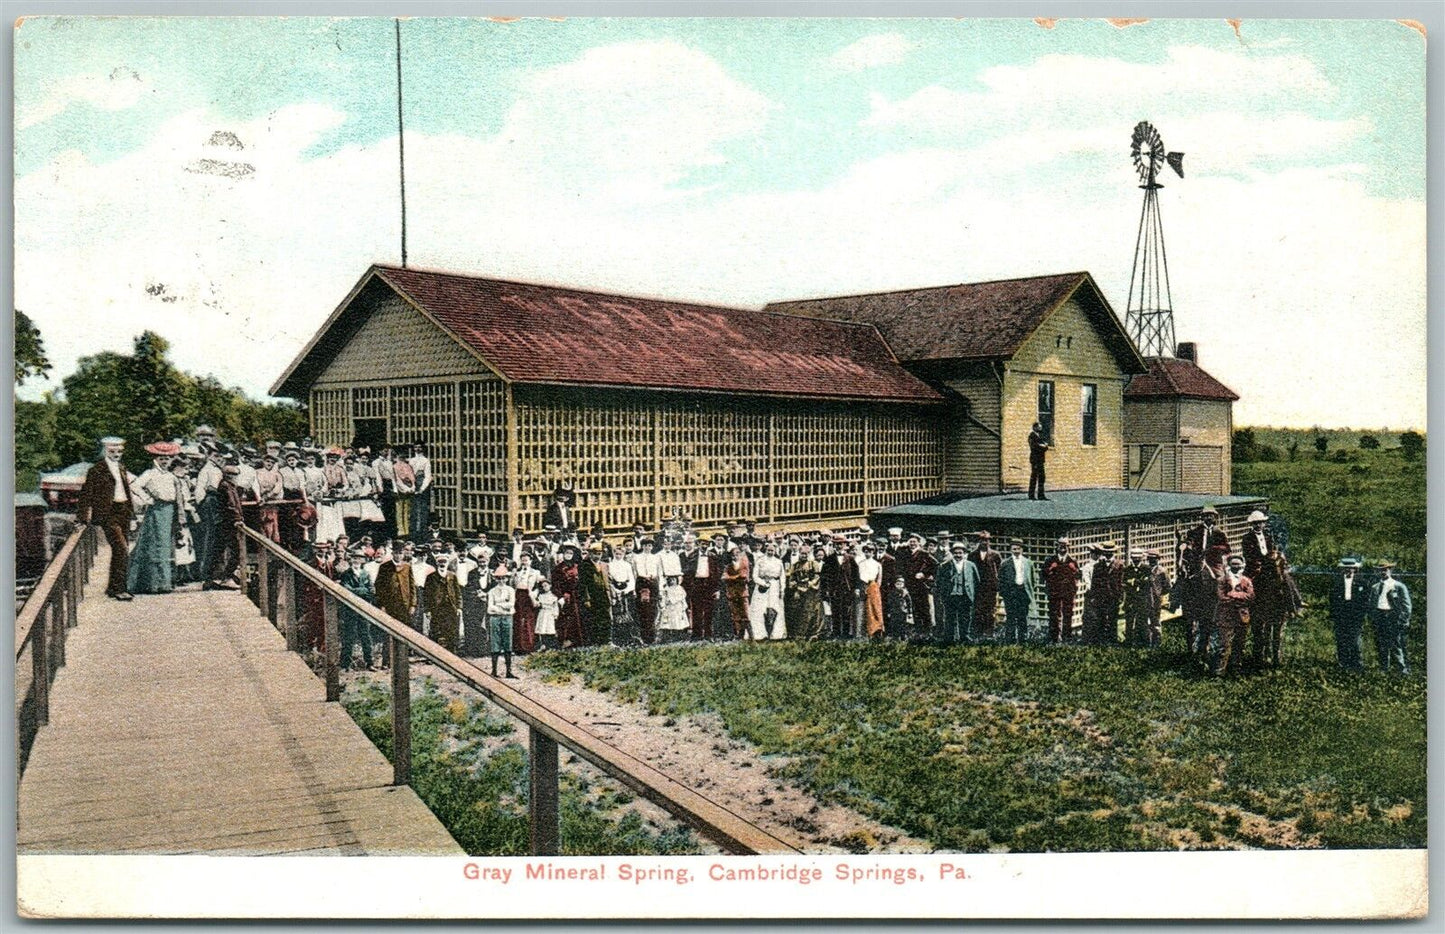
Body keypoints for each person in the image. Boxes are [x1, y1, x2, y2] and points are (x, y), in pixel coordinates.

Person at [77, 436, 136, 600]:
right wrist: (82, 518)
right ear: (105, 451)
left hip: (123, 510)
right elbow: (86, 495)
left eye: (119, 451)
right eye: (112, 451)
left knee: (122, 550)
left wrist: (132, 513)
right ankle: (119, 589)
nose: (116, 454)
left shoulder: (122, 468)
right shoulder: (97, 470)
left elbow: (126, 491)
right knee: (121, 549)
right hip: (108, 514)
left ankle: (114, 587)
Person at [127, 442, 189, 595]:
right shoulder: (150, 474)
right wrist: (147, 498)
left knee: (168, 545)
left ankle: (166, 582)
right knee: (156, 545)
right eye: (161, 459)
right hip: (157, 511)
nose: (165, 461)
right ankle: (153, 583)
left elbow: (178, 497)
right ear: (155, 459)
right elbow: (135, 486)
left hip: (170, 512)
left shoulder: (171, 476)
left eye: (167, 459)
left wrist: (180, 516)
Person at [1208, 554, 1254, 677]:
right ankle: (1219, 671)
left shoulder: (1247, 581)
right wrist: (1239, 597)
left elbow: (1250, 597)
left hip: (1242, 617)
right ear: (1229, 566)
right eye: (1233, 565)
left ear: (1242, 566)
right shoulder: (1222, 580)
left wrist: (1233, 594)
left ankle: (1235, 668)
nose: (1236, 567)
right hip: (1225, 616)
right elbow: (1222, 598)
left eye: (1238, 565)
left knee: (1239, 644)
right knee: (1224, 645)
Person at [205, 463, 246, 590]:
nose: (236, 478)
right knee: (236, 551)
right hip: (227, 524)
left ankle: (210, 579)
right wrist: (237, 519)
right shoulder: (226, 487)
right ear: (230, 476)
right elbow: (230, 505)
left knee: (218, 551)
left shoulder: (229, 486)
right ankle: (226, 577)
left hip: (223, 523)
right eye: (235, 475)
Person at [373, 543, 418, 656]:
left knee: (405, 630)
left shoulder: (407, 567)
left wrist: (413, 604)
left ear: (403, 554)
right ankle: (387, 659)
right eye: (396, 553)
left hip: (405, 605)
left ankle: (404, 656)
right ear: (392, 554)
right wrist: (382, 605)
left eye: (401, 553)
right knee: (388, 633)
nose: (398, 556)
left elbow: (412, 587)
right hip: (390, 606)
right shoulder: (384, 567)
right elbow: (379, 587)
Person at [336, 550, 377, 670]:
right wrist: (362, 590)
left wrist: (361, 590)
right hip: (350, 609)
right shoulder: (345, 574)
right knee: (349, 636)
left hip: (363, 608)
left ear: (363, 560)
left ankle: (369, 663)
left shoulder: (366, 574)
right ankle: (345, 664)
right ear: (350, 560)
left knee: (366, 636)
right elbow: (347, 590)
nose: (356, 561)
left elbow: (371, 591)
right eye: (354, 558)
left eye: (359, 558)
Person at [1368, 562, 1412, 675]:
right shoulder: (1375, 587)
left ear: (1390, 570)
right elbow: (1372, 604)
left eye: (1385, 570)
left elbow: (1406, 606)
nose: (1383, 572)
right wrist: (1373, 618)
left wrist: (1403, 620)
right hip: (1380, 616)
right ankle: (1384, 668)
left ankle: (1401, 670)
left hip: (1393, 617)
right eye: (1380, 570)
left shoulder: (1398, 586)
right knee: (1381, 644)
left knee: (1396, 643)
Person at [1328, 557, 1369, 672]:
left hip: (1355, 614)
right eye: (1346, 568)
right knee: (1341, 639)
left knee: (1355, 639)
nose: (1348, 570)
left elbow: (1365, 600)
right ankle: (1343, 663)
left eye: (1351, 568)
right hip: (1341, 613)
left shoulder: (1362, 582)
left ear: (1355, 569)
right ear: (1342, 569)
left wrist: (1361, 614)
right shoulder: (1337, 582)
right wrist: (1334, 614)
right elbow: (1332, 599)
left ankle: (1356, 664)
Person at [935, 540, 978, 644]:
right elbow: (939, 582)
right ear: (952, 553)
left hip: (965, 595)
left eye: (960, 553)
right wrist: (943, 595)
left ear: (964, 553)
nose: (958, 555)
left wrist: (972, 593)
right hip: (951, 596)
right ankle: (949, 638)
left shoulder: (971, 565)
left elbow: (976, 581)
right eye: (955, 553)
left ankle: (965, 637)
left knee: (965, 617)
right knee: (950, 617)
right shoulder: (944, 566)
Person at [1040, 537, 1079, 645]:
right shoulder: (1050, 560)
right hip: (1054, 592)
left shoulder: (1072, 561)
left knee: (1068, 614)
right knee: (1054, 614)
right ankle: (1053, 638)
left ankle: (1067, 637)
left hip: (1068, 592)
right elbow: (1042, 575)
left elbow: (1078, 576)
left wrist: (1074, 569)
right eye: (1060, 545)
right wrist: (1050, 569)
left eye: (1065, 546)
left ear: (1068, 547)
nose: (1062, 548)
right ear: (1056, 546)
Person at [998, 539, 1035, 645]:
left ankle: (1023, 640)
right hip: (1011, 593)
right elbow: (1001, 580)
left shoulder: (1028, 563)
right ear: (1011, 550)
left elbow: (1033, 579)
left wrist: (1028, 590)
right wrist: (1005, 594)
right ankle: (1010, 639)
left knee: (1022, 617)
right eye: (1014, 549)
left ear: (1022, 549)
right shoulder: (1005, 563)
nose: (1016, 551)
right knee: (1010, 617)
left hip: (1023, 592)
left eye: (1018, 548)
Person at [786, 544, 826, 640]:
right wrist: (795, 586)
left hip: (811, 591)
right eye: (802, 554)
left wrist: (810, 584)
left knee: (814, 612)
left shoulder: (813, 564)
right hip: (799, 590)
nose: (804, 556)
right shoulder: (795, 565)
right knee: (800, 612)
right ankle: (800, 633)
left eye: (806, 554)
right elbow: (791, 578)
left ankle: (814, 633)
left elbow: (817, 577)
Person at [681, 535, 718, 641]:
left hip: (708, 584)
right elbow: (687, 572)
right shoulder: (692, 556)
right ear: (698, 544)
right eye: (702, 543)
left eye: (706, 543)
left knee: (709, 610)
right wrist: (690, 585)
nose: (704, 545)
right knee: (696, 610)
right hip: (696, 584)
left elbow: (716, 574)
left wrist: (716, 589)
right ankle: (697, 635)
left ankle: (708, 635)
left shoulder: (713, 556)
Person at [425, 553, 463, 653]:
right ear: (437, 563)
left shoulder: (452, 575)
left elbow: (457, 592)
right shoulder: (431, 577)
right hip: (437, 607)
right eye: (440, 562)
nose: (442, 564)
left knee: (451, 630)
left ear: (447, 563)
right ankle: (434, 653)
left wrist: (459, 607)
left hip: (450, 606)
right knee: (435, 630)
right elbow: (427, 595)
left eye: (444, 562)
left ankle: (452, 652)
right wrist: (428, 610)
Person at [749, 541, 787, 641]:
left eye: (772, 550)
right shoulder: (760, 560)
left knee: (775, 608)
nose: (770, 552)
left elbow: (782, 576)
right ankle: (759, 634)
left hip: (775, 587)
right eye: (769, 550)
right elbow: (754, 576)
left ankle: (776, 634)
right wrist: (763, 583)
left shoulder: (778, 562)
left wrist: (782, 589)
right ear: (765, 550)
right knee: (759, 609)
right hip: (762, 587)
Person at [820, 537, 857, 640]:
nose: (839, 546)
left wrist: (855, 588)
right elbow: (824, 576)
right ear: (834, 545)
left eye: (841, 544)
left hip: (847, 589)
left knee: (846, 611)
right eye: (837, 544)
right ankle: (836, 632)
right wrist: (825, 589)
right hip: (834, 589)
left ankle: (845, 633)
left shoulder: (850, 558)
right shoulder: (829, 558)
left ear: (845, 545)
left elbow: (855, 575)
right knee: (835, 611)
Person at [486, 564, 518, 678]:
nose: (501, 580)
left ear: (507, 578)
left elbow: (511, 604)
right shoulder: (492, 591)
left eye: (503, 578)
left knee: (507, 642)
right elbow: (490, 607)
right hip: (495, 618)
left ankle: (508, 671)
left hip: (507, 617)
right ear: (495, 579)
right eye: (498, 578)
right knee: (495, 642)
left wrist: (498, 605)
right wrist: (503, 606)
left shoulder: (510, 590)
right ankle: (494, 671)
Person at [902, 533, 937, 636]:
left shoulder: (924, 554)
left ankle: (927, 631)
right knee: (913, 608)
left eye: (914, 541)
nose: (912, 543)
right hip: (909, 585)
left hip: (921, 586)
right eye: (911, 541)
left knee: (924, 608)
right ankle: (917, 631)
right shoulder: (905, 554)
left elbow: (936, 566)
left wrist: (924, 574)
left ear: (918, 542)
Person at [551, 544, 585, 648]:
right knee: (565, 619)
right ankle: (565, 640)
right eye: (567, 553)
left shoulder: (577, 566)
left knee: (577, 617)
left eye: (570, 553)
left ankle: (577, 640)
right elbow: (555, 584)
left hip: (576, 595)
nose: (568, 555)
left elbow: (581, 581)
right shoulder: (558, 568)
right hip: (565, 596)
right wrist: (560, 596)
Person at [607, 544, 641, 646]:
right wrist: (615, 590)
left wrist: (626, 590)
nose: (618, 556)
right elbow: (609, 580)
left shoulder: (627, 565)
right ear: (613, 553)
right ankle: (617, 639)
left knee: (627, 615)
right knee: (616, 616)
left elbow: (631, 580)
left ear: (624, 554)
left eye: (620, 554)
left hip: (625, 592)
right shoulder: (609, 565)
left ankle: (628, 638)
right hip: (615, 592)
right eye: (616, 554)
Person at [969, 532, 1001, 641]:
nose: (985, 542)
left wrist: (996, 585)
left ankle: (989, 634)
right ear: (979, 541)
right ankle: (977, 634)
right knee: (977, 611)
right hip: (977, 588)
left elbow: (999, 571)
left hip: (990, 588)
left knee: (990, 611)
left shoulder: (995, 555)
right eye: (982, 540)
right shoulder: (972, 555)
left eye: (987, 540)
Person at [630, 538, 661, 644]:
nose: (647, 547)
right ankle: (643, 637)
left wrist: (659, 588)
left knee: (652, 610)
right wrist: (634, 588)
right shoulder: (636, 558)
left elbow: (659, 573)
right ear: (642, 546)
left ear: (652, 547)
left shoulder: (656, 557)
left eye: (649, 546)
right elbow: (634, 573)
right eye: (645, 545)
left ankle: (652, 638)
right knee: (643, 611)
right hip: (641, 583)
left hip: (653, 583)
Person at [512, 551, 542, 655]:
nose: (524, 562)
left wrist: (534, 595)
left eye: (526, 560)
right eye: (523, 560)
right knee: (518, 620)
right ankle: (518, 646)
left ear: (530, 561)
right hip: (519, 596)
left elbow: (539, 586)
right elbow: (513, 585)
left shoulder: (535, 572)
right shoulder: (516, 572)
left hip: (530, 597)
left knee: (529, 620)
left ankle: (529, 646)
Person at [1122, 550, 1153, 647]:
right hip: (1130, 599)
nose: (1135, 561)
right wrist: (1133, 582)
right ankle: (1129, 642)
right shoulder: (1127, 569)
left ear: (1141, 559)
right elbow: (1124, 583)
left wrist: (1135, 581)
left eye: (1138, 559)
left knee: (1142, 621)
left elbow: (1149, 582)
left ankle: (1144, 642)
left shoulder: (1147, 569)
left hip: (1142, 599)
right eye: (1134, 559)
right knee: (1129, 621)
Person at [722, 544, 751, 640]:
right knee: (735, 615)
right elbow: (724, 577)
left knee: (746, 614)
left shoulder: (744, 565)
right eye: (733, 555)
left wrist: (731, 579)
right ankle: (739, 634)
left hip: (742, 593)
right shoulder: (728, 566)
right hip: (732, 593)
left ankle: (750, 635)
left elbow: (744, 578)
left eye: (737, 554)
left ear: (740, 555)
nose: (735, 556)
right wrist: (736, 577)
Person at [857, 542, 885, 640]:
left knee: (875, 609)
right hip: (863, 585)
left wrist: (875, 587)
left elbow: (879, 579)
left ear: (873, 552)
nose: (868, 553)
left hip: (873, 587)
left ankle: (876, 631)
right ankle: (863, 632)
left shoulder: (877, 564)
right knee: (862, 609)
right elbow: (858, 577)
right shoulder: (860, 564)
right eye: (866, 551)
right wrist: (861, 587)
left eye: (871, 551)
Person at [1239, 510, 1275, 579]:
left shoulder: (1268, 535)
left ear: (1264, 523)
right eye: (1255, 523)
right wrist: (1257, 564)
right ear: (1252, 524)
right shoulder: (1247, 538)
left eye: (1260, 523)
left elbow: (1272, 549)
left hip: (1269, 565)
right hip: (1254, 566)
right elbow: (1247, 555)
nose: (1258, 525)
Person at [656, 575, 691, 644]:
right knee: (668, 623)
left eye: (674, 580)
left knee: (678, 623)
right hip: (669, 608)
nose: (672, 581)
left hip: (677, 608)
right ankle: (668, 638)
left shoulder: (679, 588)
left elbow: (682, 596)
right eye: (670, 580)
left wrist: (673, 600)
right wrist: (664, 603)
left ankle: (679, 637)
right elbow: (664, 597)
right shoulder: (666, 589)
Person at [409, 441, 433, 541]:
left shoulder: (425, 460)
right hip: (411, 485)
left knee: (422, 511)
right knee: (413, 510)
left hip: (421, 486)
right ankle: (413, 533)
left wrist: (422, 488)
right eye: (416, 447)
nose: (417, 449)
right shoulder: (411, 460)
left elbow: (428, 476)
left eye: (419, 447)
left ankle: (422, 533)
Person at [533, 579, 561, 651]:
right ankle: (543, 645)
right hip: (542, 613)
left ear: (550, 586)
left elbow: (555, 607)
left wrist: (555, 615)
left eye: (546, 586)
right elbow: (537, 604)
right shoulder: (541, 596)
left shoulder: (553, 597)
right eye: (543, 586)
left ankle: (550, 646)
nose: (544, 587)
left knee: (549, 629)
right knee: (542, 629)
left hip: (549, 614)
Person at [1027, 421, 1049, 500]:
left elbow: (1046, 446)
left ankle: (1041, 495)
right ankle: (1031, 495)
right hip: (1035, 460)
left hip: (1041, 460)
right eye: (1039, 427)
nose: (1040, 428)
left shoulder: (1040, 436)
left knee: (1042, 477)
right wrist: (1042, 446)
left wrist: (1043, 446)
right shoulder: (1032, 436)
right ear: (1035, 427)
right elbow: (1034, 447)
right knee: (1034, 477)